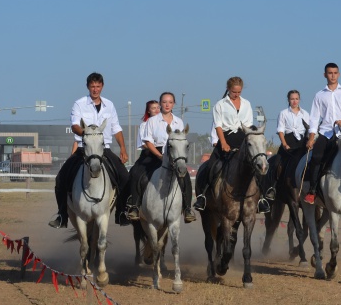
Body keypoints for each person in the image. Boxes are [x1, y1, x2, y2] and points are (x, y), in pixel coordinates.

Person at [49, 72, 130, 229]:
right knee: (60, 179)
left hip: (104, 149)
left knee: (125, 177)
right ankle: (62, 215)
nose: (95, 89)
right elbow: (75, 125)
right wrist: (86, 134)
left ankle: (121, 212)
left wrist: (123, 148)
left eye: (98, 86)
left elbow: (116, 128)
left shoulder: (109, 105)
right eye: (92, 86)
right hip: (83, 149)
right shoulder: (79, 104)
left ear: (102, 86)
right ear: (88, 87)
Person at [193, 77, 270, 213]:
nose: (236, 94)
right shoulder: (220, 105)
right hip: (226, 137)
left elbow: (248, 124)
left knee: (257, 163)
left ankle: (262, 198)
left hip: (243, 138)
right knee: (212, 164)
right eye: (234, 92)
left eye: (239, 92)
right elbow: (218, 125)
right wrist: (223, 142)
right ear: (228, 89)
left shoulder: (246, 104)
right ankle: (203, 196)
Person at [126, 93, 196, 224]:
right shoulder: (152, 121)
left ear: (173, 104)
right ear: (160, 104)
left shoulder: (179, 122)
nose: (167, 105)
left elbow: (181, 141)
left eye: (170, 102)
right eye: (164, 102)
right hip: (155, 153)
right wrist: (159, 156)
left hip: (174, 154)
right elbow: (148, 141)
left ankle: (187, 208)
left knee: (184, 176)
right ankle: (135, 206)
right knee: (136, 172)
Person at [304, 63, 341, 204]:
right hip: (325, 132)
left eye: (335, 73)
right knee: (316, 157)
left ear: (339, 74)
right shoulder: (319, 95)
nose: (333, 76)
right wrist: (311, 138)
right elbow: (314, 118)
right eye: (330, 73)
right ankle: (312, 191)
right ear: (325, 75)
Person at [114, 99, 159, 225]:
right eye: (153, 108)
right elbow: (143, 144)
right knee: (133, 174)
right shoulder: (144, 125)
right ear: (148, 111)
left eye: (158, 107)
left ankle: (186, 206)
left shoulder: (166, 124)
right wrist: (155, 148)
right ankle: (131, 205)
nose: (156, 110)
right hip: (148, 155)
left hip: (164, 155)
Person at [264, 90, 310, 193]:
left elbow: (309, 130)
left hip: (302, 142)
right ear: (288, 100)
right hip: (288, 141)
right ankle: (273, 188)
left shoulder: (305, 114)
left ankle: (311, 189)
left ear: (299, 100)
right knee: (277, 162)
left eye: (296, 99)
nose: (294, 101)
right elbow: (280, 130)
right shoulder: (283, 113)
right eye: (292, 99)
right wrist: (284, 144)